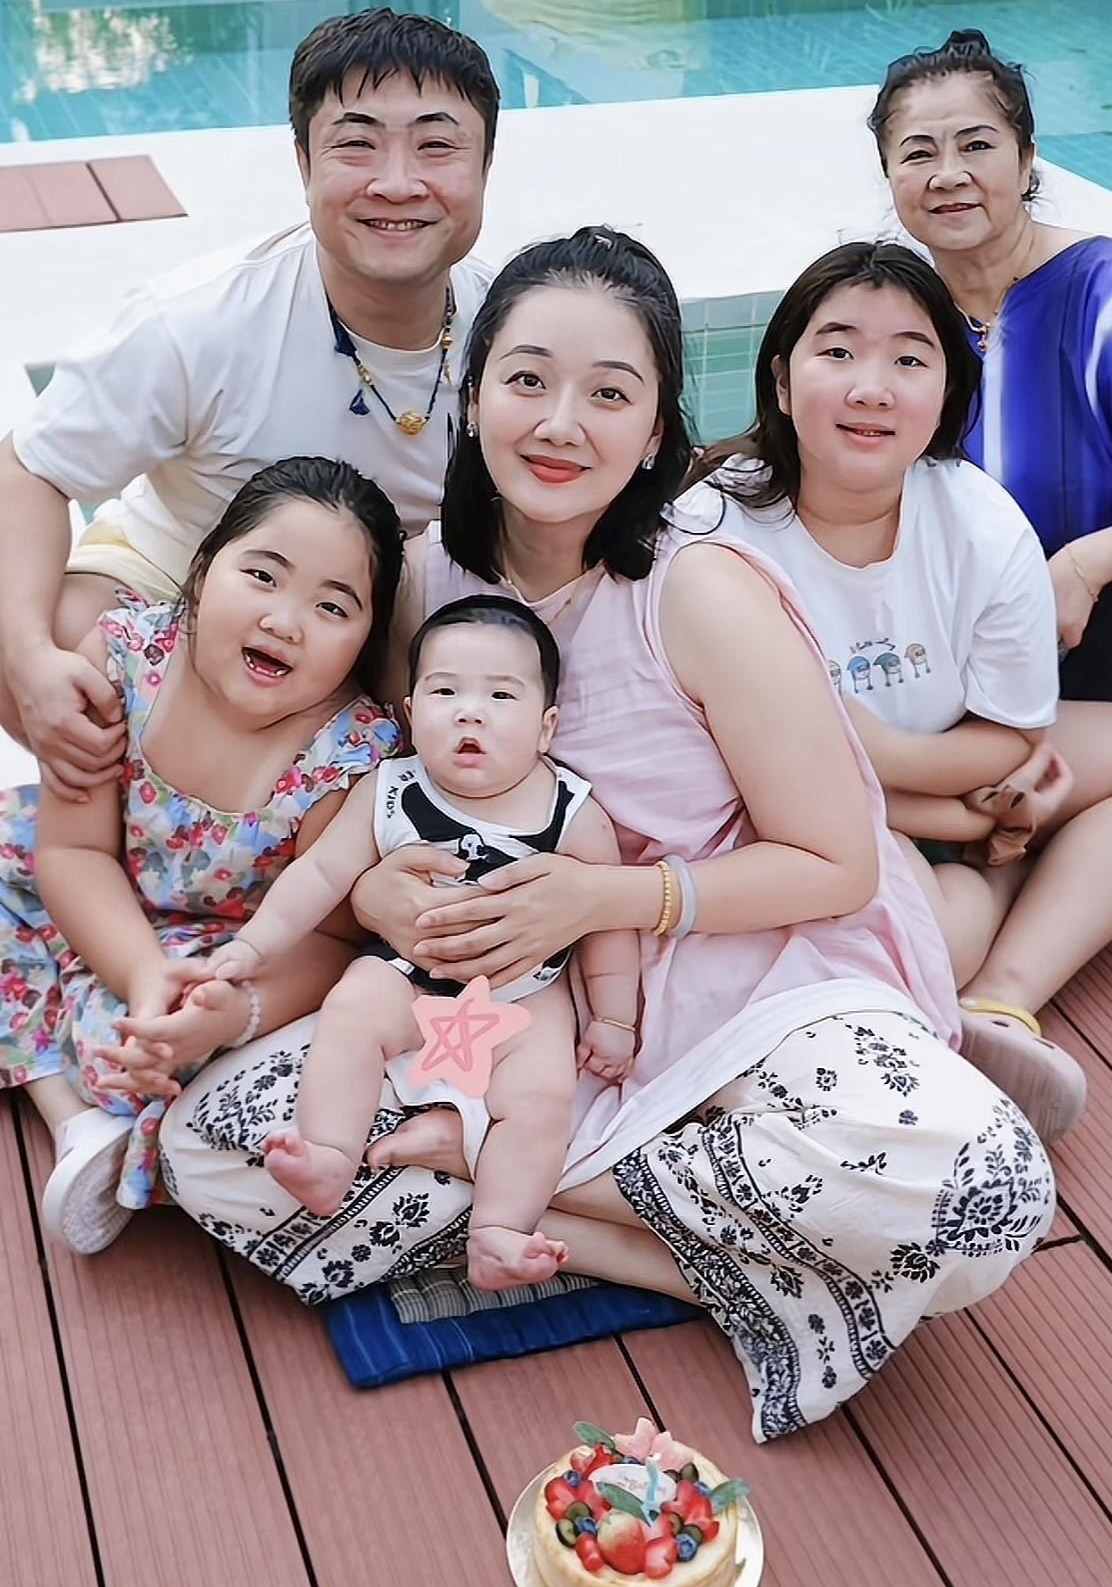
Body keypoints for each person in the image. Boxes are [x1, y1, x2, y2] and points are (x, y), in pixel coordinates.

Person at [160, 228, 1054, 1444]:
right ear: (473, 394)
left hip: (740, 977)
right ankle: (708, 1243)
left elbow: (837, 865)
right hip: (506, 1008)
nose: (560, 424)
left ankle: (512, 1187)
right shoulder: (420, 584)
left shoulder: (700, 592)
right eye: (527, 380)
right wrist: (376, 900)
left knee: (984, 1198)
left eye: (610, 394)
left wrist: (601, 901)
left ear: (658, 431)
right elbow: (369, 807)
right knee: (214, 1152)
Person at [687, 240, 1112, 1142]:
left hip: (950, 759)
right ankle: (1001, 877)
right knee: (930, 937)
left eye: (910, 360)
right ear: (782, 381)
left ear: (950, 394)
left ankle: (1003, 1001)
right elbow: (738, 770)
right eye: (838, 351)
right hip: (804, 818)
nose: (872, 387)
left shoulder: (980, 523)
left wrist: (915, 764)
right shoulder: (713, 531)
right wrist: (967, 817)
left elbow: (1009, 737)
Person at [0, 8, 497, 802]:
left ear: (485, 166)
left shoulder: (517, 338)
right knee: (60, 644)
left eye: (437, 147)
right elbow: (29, 468)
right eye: (357, 144)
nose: (398, 182)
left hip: (379, 615)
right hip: (183, 579)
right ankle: (129, 836)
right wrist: (28, 659)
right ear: (304, 163)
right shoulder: (198, 322)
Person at [0, 457, 403, 1253]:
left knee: (164, 1047)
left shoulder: (350, 756)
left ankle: (107, 1084)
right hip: (95, 896)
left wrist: (226, 1013)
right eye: (262, 575)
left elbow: (333, 940)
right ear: (203, 569)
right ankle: (73, 1119)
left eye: (332, 606)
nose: (285, 621)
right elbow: (74, 851)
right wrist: (140, 972)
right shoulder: (124, 657)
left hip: (227, 952)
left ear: (366, 638)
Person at [206, 595, 640, 1292]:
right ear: (410, 713)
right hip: (407, 971)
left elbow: (610, 921)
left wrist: (615, 1017)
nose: (470, 713)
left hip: (526, 994)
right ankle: (328, 1154)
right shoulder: (390, 790)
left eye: (501, 695)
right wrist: (253, 949)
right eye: (445, 693)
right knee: (352, 1011)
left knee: (541, 1097)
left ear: (546, 726)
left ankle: (500, 1231)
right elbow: (319, 873)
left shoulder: (574, 813)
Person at [868, 25, 1112, 704]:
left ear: (1028, 159)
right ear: (890, 176)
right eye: (918, 153)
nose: (949, 174)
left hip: (1109, 634)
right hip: (949, 659)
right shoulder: (890, 319)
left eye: (977, 145)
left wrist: (1086, 566)